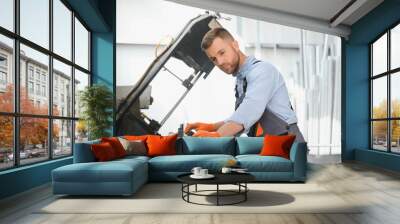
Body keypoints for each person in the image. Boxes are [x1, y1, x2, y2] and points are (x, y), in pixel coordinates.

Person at [185, 27, 305, 142]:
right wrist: (211, 127)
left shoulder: (262, 71)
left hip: (288, 144)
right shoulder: (241, 80)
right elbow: (239, 116)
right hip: (268, 143)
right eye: (214, 59)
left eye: (222, 53)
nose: (220, 62)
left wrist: (217, 135)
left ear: (235, 45)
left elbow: (249, 111)